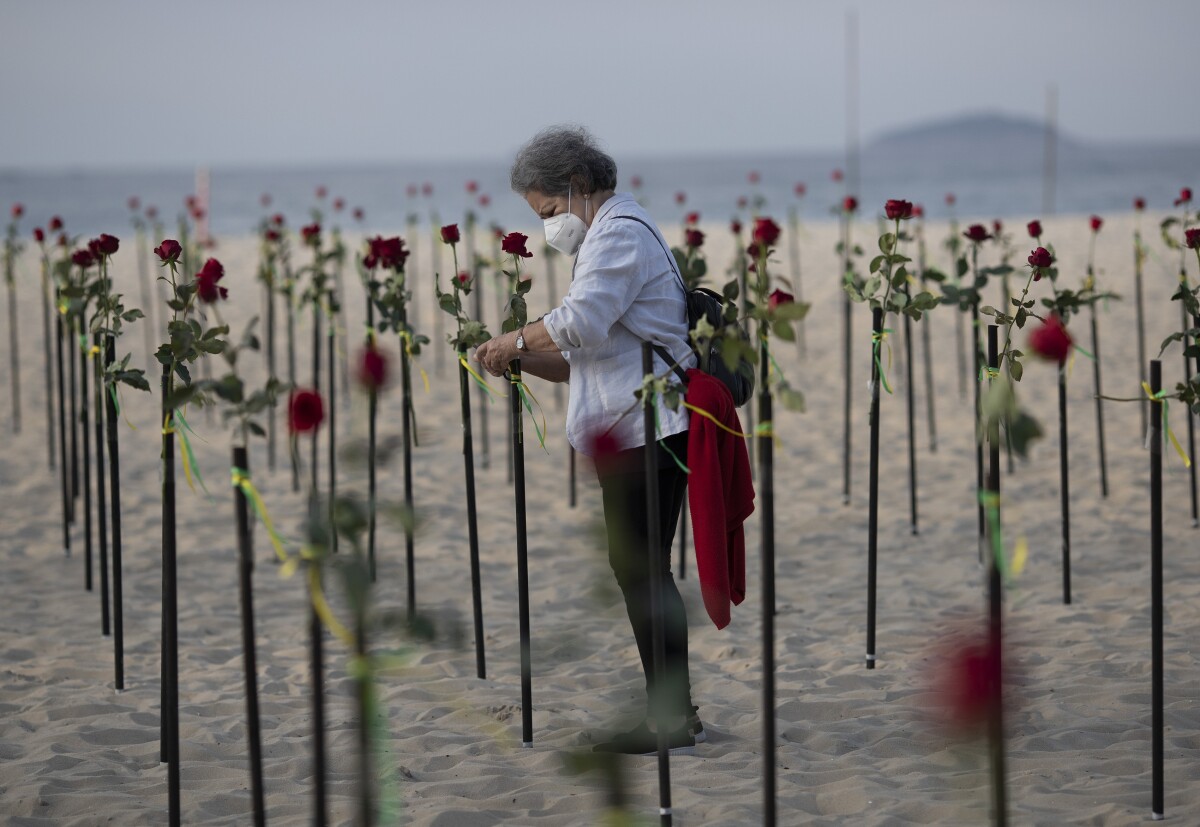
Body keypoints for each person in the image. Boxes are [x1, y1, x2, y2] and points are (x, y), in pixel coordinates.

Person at [474, 125, 702, 755]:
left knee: (641, 571)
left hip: (650, 427)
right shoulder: (607, 234)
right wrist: (519, 360)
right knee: (641, 570)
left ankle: (671, 716)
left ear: (577, 185)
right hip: (635, 423)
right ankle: (675, 711)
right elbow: (585, 358)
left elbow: (580, 321)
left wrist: (513, 338)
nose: (550, 225)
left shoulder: (619, 232)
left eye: (549, 210)